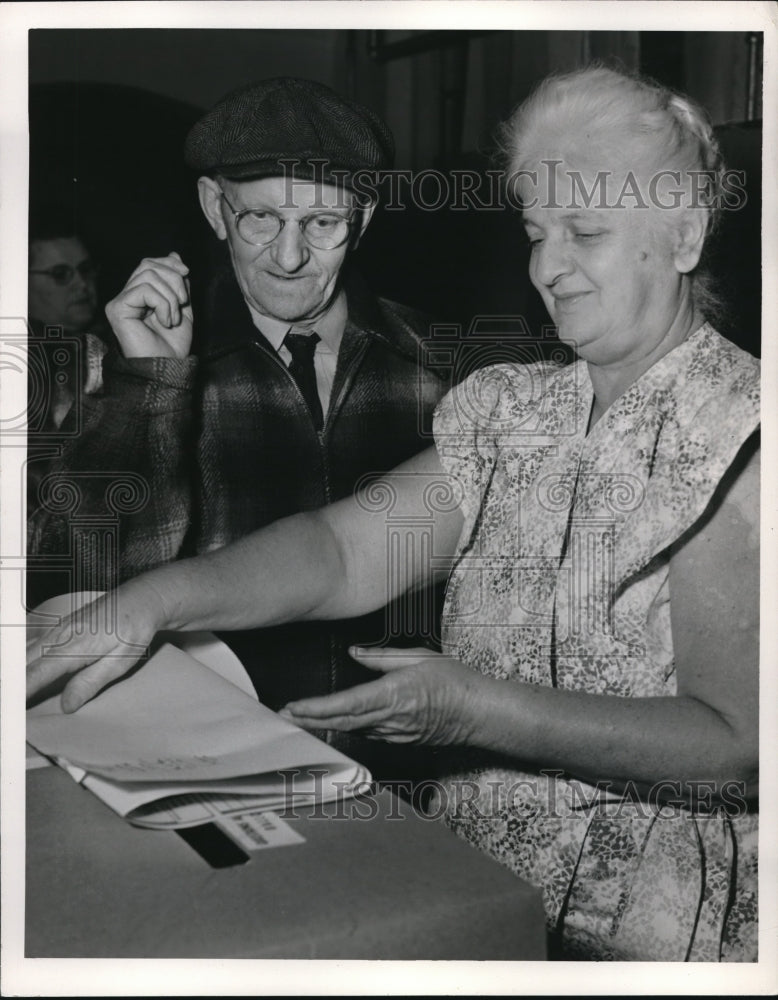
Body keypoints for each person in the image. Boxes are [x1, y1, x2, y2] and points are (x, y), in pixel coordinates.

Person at [27, 66, 759, 961]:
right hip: (462, 879)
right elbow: (343, 550)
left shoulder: (743, 431)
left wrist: (472, 712)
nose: (547, 267)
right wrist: (151, 602)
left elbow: (737, 741)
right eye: (535, 232)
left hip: (652, 927)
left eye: (586, 232)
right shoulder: (510, 407)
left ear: (683, 233)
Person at [27, 78, 448, 774]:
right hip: (202, 760)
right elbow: (77, 599)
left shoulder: (441, 365)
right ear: (214, 210)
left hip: (408, 768)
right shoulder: (125, 361)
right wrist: (152, 390)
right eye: (259, 219)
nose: (287, 257)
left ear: (364, 217)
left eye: (321, 224)